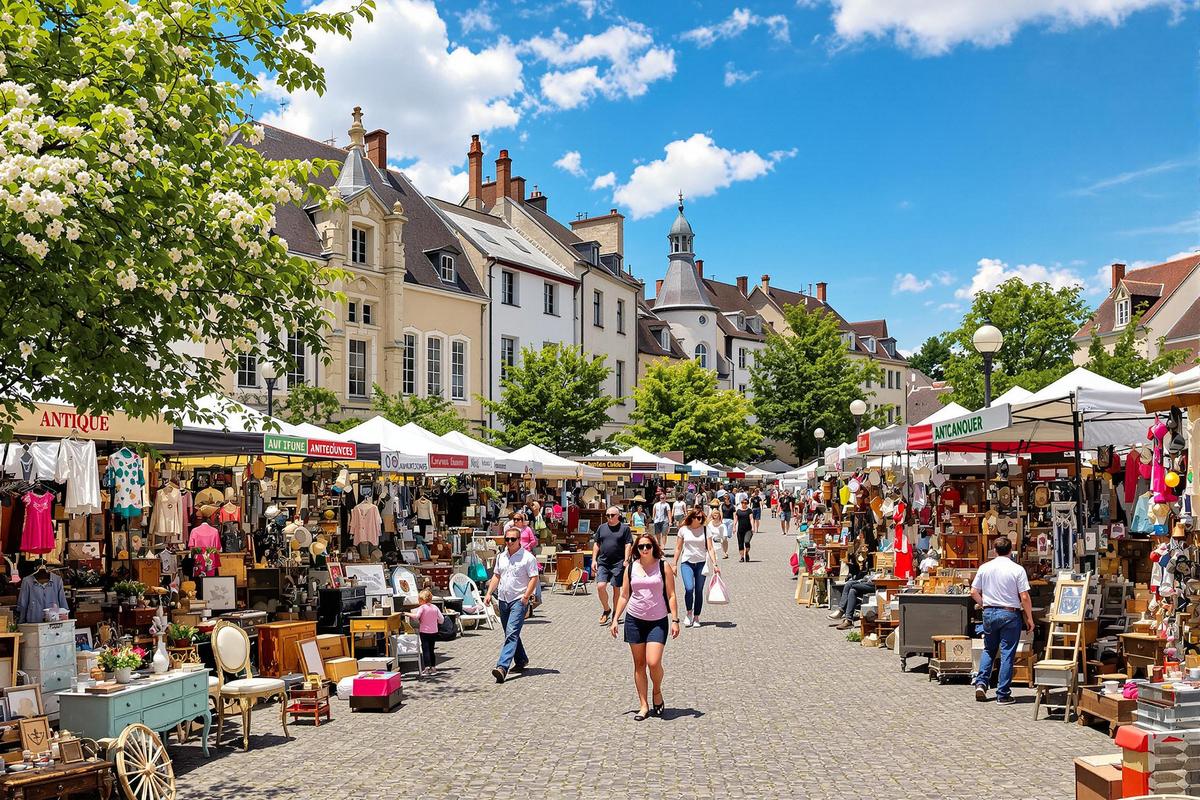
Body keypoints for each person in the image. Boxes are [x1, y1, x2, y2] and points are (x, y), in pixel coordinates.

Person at [610, 532, 680, 720]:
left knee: (653, 662)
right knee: (639, 664)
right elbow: (624, 595)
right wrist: (616, 618)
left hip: (657, 620)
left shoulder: (663, 566)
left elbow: (672, 595)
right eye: (641, 547)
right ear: (636, 549)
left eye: (648, 546)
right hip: (634, 619)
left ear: (654, 547)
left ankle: (657, 691)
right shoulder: (631, 568)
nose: (645, 550)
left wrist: (675, 619)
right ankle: (643, 705)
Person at [970, 536, 1033, 705]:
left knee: (989, 649)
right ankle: (1002, 693)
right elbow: (1025, 596)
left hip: (990, 612)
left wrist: (985, 605)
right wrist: (1030, 618)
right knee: (1007, 653)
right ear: (1011, 550)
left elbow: (973, 591)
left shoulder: (985, 568)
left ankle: (981, 683)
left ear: (994, 550)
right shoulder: (1017, 569)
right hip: (1009, 614)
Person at [483, 527, 540, 683]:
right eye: (506, 539)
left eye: (512, 539)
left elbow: (534, 578)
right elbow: (496, 575)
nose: (509, 542)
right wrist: (489, 593)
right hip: (503, 599)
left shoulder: (528, 558)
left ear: (519, 540)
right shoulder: (501, 557)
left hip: (518, 599)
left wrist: (526, 597)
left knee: (512, 632)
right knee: (510, 632)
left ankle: (502, 667)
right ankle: (521, 660)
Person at [674, 509, 721, 627]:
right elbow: (678, 548)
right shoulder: (683, 530)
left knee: (699, 590)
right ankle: (689, 612)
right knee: (689, 588)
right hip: (687, 563)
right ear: (692, 518)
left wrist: (715, 564)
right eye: (698, 518)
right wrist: (674, 564)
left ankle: (696, 617)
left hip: (701, 563)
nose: (700, 520)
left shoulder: (706, 530)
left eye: (701, 518)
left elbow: (710, 548)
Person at [591, 507, 633, 625]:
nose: (610, 517)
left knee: (616, 589)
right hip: (603, 562)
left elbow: (628, 545)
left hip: (618, 563)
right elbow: (596, 544)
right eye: (608, 515)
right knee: (600, 586)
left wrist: (626, 560)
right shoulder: (601, 528)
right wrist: (594, 560)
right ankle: (606, 609)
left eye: (612, 515)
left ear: (618, 515)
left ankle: (616, 613)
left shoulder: (624, 529)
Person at [829, 537, 875, 629]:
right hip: (870, 580)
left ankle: (842, 611)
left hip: (876, 584)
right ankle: (848, 619)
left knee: (850, 585)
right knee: (852, 590)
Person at [407, 588, 444, 676]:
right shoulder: (435, 607)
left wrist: (407, 614)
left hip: (424, 632)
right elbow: (441, 620)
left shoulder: (422, 607)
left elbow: (416, 616)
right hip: (434, 631)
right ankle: (434, 667)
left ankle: (427, 667)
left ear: (422, 600)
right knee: (431, 650)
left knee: (425, 649)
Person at [735, 498, 754, 562]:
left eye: (745, 503)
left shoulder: (749, 511)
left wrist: (753, 527)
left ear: (747, 504)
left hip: (748, 529)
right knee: (740, 544)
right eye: (743, 503)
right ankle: (742, 557)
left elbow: (751, 519)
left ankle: (747, 553)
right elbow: (736, 519)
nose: (744, 504)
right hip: (740, 530)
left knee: (746, 541)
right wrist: (734, 527)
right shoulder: (738, 511)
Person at [719, 493, 735, 558]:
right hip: (724, 521)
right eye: (724, 498)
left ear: (728, 498)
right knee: (724, 538)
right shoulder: (722, 505)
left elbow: (734, 514)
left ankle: (725, 550)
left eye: (726, 498)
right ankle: (725, 552)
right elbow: (721, 513)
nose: (725, 499)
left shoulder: (732, 506)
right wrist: (721, 521)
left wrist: (734, 523)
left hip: (730, 521)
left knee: (729, 535)